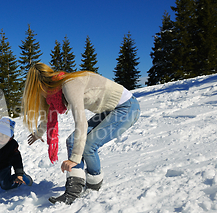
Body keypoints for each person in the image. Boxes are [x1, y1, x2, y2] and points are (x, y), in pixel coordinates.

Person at [22, 63, 140, 205]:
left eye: (36, 90)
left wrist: (75, 158)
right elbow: (49, 114)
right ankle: (74, 189)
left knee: (88, 145)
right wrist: (38, 133)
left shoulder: (69, 85)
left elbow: (81, 123)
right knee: (73, 141)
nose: (38, 94)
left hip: (127, 108)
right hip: (109, 111)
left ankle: (93, 185)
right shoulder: (55, 92)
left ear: (41, 84)